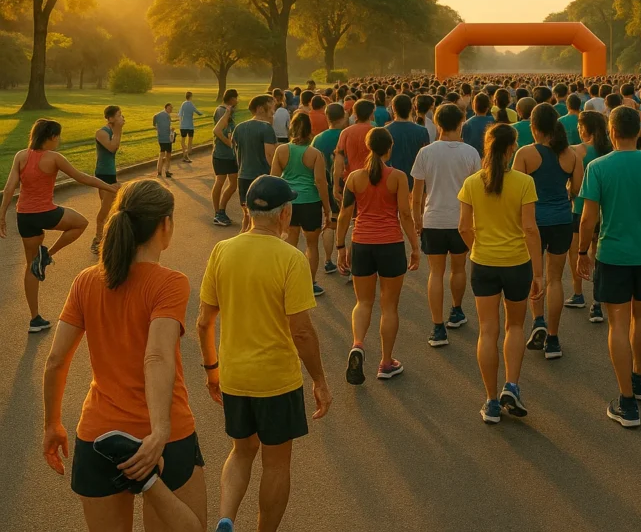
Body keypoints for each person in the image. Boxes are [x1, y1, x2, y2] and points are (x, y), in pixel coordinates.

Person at [42, 180, 205, 532]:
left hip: (99, 436)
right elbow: (158, 355)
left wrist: (52, 423)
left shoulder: (87, 281)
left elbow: (56, 360)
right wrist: (159, 432)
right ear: (165, 224)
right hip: (161, 437)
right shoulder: (169, 283)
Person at [197, 175, 332, 532]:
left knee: (241, 451)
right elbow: (301, 331)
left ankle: (225, 519)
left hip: (235, 375)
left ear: (247, 210)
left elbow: (203, 322)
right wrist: (319, 380)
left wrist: (212, 368)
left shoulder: (222, 250)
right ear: (285, 214)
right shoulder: (291, 258)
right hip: (275, 379)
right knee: (275, 463)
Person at [577, 107, 641, 428]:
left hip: (614, 253)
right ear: (639, 131)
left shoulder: (597, 167)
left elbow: (588, 217)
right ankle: (638, 377)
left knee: (618, 324)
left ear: (610, 132)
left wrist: (582, 251)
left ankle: (626, 401)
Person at [457, 124, 543, 423]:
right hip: (517, 262)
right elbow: (530, 229)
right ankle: (512, 385)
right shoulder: (523, 183)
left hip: (484, 263)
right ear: (511, 149)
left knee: (487, 330)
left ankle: (492, 401)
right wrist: (539, 271)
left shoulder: (471, 183)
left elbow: (464, 228)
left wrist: (477, 249)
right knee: (515, 327)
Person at [1, 119, 117, 332]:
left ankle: (35, 319)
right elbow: (82, 178)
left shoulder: (21, 156)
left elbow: (9, 189)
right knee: (80, 223)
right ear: (52, 136)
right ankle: (48, 255)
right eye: (58, 136)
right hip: (46, 213)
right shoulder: (54, 158)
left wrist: (1, 216)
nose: (59, 140)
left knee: (30, 266)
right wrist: (110, 188)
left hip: (24, 216)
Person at [337, 128, 420, 384]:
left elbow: (344, 215)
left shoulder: (354, 178)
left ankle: (358, 344)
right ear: (389, 148)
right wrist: (415, 247)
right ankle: (386, 362)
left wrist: (340, 247)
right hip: (390, 245)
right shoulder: (397, 177)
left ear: (367, 146)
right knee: (389, 306)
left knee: (363, 302)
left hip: (361, 243)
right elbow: (405, 215)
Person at [514, 104, 582, 359]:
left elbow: (517, 191)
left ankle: (538, 321)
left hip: (533, 222)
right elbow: (576, 189)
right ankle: (553, 338)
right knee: (555, 279)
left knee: (536, 274)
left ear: (533, 127)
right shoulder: (571, 155)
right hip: (562, 220)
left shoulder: (525, 154)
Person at [411, 104, 480, 346]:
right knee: (459, 269)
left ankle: (437, 327)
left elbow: (417, 194)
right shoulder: (471, 153)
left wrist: (417, 220)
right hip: (461, 219)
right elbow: (476, 193)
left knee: (436, 273)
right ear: (461, 122)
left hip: (434, 218)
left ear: (437, 124)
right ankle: (457, 310)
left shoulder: (426, 153)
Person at [271, 112, 331, 297]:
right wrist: (327, 208)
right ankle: (310, 283)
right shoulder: (314, 154)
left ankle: (287, 283)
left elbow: (273, 178)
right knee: (312, 245)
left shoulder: (281, 150)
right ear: (309, 130)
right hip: (310, 202)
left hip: (289, 202)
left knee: (290, 244)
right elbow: (321, 182)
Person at [565, 111, 612, 322]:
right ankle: (598, 301)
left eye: (579, 127)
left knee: (577, 252)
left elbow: (575, 186)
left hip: (581, 208)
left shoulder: (577, 151)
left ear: (585, 129)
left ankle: (578, 294)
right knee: (598, 254)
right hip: (605, 209)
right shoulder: (610, 149)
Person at [230, 95, 278, 233]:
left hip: (243, 176)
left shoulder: (239, 128)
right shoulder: (266, 128)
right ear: (260, 109)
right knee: (262, 220)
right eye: (271, 106)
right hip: (261, 178)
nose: (274, 110)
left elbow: (237, 152)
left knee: (247, 215)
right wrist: (277, 176)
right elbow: (270, 155)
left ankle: (241, 243)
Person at [311, 103, 346, 276]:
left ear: (327, 117)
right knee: (352, 222)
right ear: (344, 116)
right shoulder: (346, 135)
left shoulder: (318, 138)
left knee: (330, 222)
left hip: (325, 183)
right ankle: (347, 260)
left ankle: (328, 260)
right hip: (346, 184)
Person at [91, 105, 124, 254]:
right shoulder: (101, 132)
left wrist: (118, 129)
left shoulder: (113, 131)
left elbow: (115, 146)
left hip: (110, 173)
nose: (121, 118)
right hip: (104, 174)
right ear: (110, 118)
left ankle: (106, 238)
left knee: (110, 208)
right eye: (118, 115)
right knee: (105, 210)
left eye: (121, 115)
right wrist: (118, 130)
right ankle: (98, 241)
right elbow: (112, 148)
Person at [385, 94, 430, 188]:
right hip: (416, 181)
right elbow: (426, 159)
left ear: (393, 109)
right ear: (411, 108)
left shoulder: (385, 131)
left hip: (391, 181)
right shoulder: (422, 131)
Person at [211, 90, 240, 227]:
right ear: (231, 99)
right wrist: (228, 143)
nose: (237, 101)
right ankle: (218, 213)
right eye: (236, 98)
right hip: (221, 154)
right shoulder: (222, 111)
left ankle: (221, 209)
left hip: (230, 155)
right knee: (220, 181)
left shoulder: (228, 111)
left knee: (233, 184)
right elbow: (218, 131)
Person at [462, 93, 495, 157]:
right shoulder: (493, 122)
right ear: (488, 107)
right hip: (489, 157)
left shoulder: (467, 124)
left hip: (471, 157)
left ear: (473, 106)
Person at [153, 103, 176, 179]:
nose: (171, 110)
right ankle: (166, 171)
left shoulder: (158, 115)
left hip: (161, 138)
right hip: (167, 139)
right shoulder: (167, 116)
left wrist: (157, 129)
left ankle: (159, 171)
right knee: (168, 155)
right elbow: (166, 127)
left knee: (161, 154)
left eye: (171, 108)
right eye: (170, 108)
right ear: (165, 108)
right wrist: (172, 131)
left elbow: (154, 122)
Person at [178, 92, 202, 163]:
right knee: (190, 142)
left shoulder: (183, 104)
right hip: (190, 126)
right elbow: (197, 112)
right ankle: (186, 154)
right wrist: (202, 113)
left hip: (183, 126)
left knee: (183, 140)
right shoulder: (191, 104)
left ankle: (185, 155)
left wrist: (180, 123)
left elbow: (180, 114)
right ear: (191, 97)